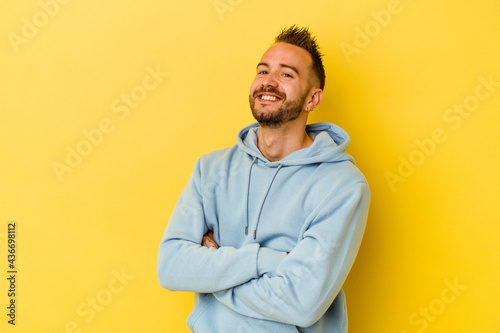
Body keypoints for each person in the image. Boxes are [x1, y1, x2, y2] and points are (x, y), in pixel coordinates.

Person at [157, 25, 371, 333]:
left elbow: (302, 302)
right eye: (262, 71)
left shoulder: (342, 185)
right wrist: (266, 261)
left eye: (287, 74)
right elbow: (171, 267)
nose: (268, 82)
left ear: (313, 99)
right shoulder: (211, 169)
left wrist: (212, 269)